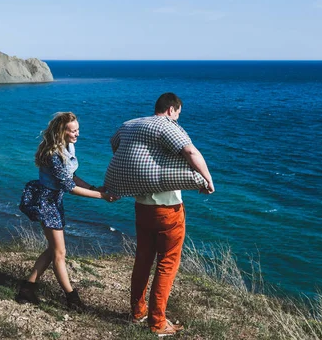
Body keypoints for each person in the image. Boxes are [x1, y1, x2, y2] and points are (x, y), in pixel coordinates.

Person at [109, 93, 214, 336]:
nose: (177, 118)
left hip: (141, 207)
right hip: (168, 211)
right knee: (167, 263)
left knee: (143, 259)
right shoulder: (167, 126)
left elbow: (115, 146)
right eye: (177, 113)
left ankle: (137, 312)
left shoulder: (129, 125)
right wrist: (208, 179)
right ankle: (157, 323)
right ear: (171, 110)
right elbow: (190, 152)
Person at [17, 112, 117, 310]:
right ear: (62, 131)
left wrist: (93, 188)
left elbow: (72, 175)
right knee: (60, 253)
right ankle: (72, 299)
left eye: (78, 130)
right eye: (73, 131)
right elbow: (69, 187)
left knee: (54, 250)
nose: (77, 134)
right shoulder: (53, 155)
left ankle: (27, 289)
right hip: (46, 203)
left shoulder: (68, 146)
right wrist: (102, 197)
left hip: (55, 202)